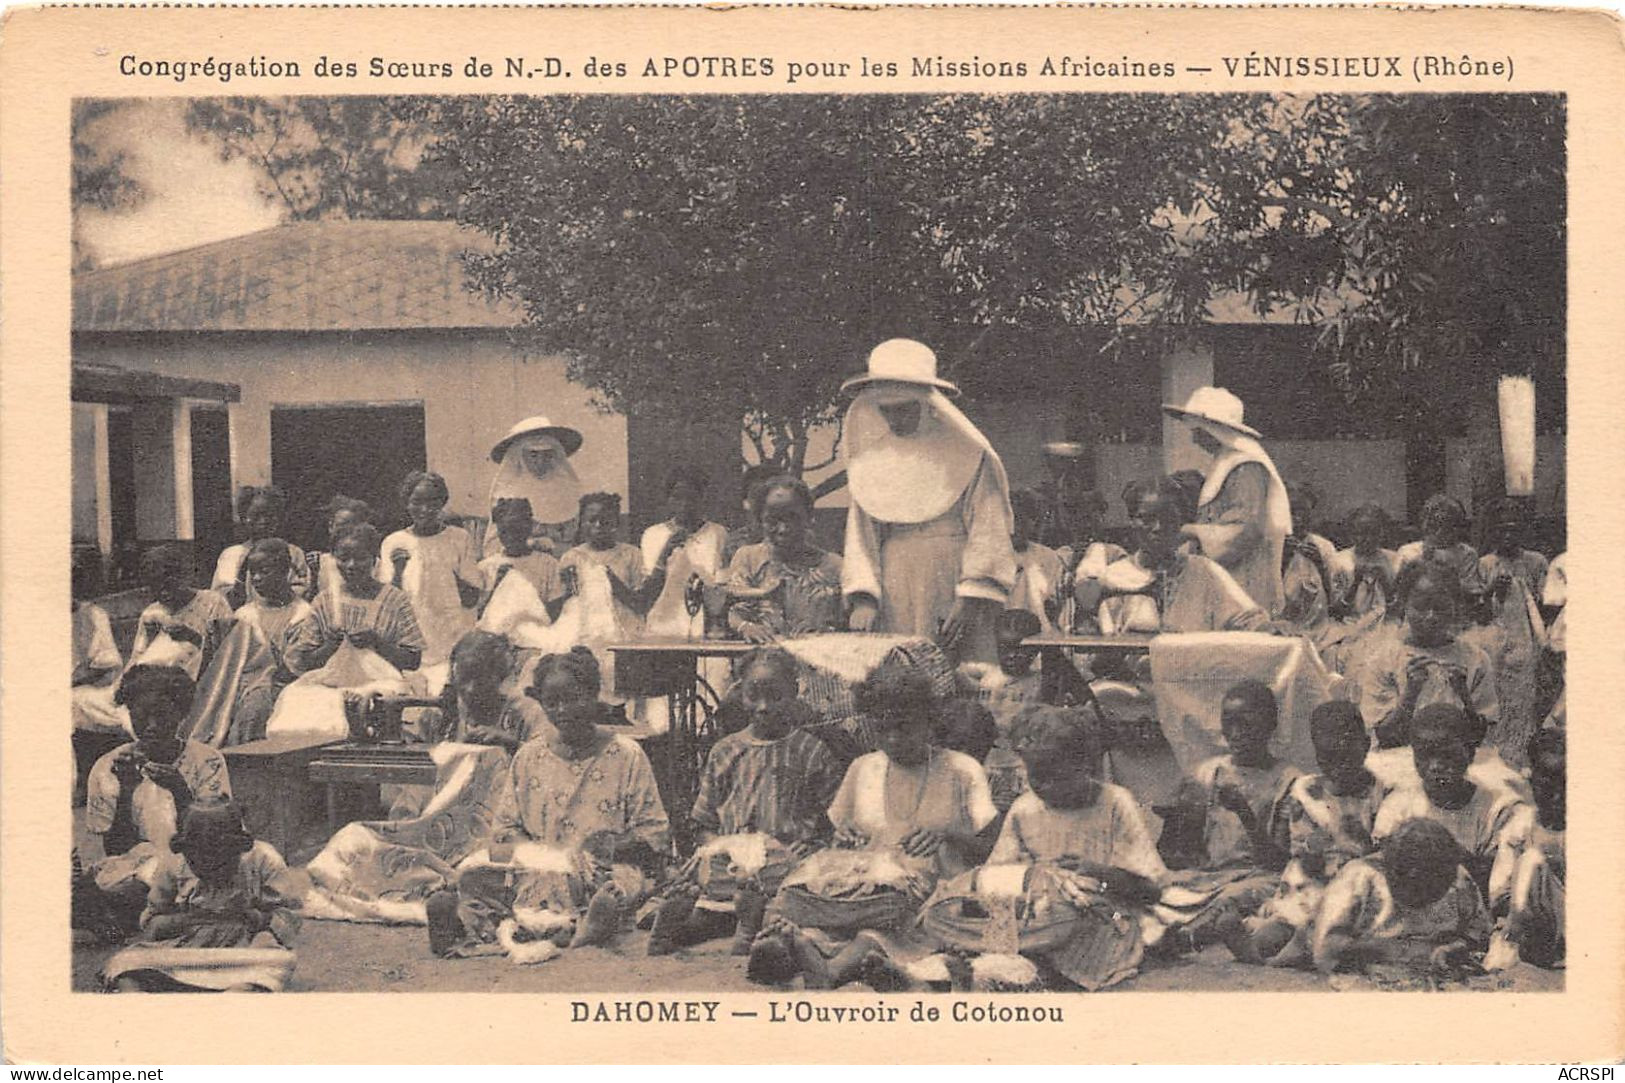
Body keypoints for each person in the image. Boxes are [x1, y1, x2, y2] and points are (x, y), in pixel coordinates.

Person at [747, 662, 1000, 988]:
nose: (893, 739)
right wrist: (843, 835)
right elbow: (832, 834)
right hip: (864, 899)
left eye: (904, 727)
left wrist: (948, 835)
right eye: (882, 729)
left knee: (878, 936)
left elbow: (994, 849)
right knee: (816, 920)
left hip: (931, 900)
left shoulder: (961, 770)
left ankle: (831, 970)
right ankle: (794, 949)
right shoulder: (863, 768)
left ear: (929, 721)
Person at [426, 648, 669, 957]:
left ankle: (591, 923)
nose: (563, 710)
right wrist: (535, 853)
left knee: (619, 885)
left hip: (599, 867)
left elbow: (655, 833)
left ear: (594, 694)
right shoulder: (529, 756)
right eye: (552, 703)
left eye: (574, 698)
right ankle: (459, 925)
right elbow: (505, 828)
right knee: (475, 876)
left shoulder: (627, 755)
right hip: (537, 867)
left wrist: (603, 847)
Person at [931, 705, 1168, 990]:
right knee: (973, 915)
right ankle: (984, 968)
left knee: (1059, 938)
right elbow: (1000, 875)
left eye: (1054, 775)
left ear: (1085, 766)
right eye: (1035, 775)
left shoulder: (1115, 803)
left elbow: (1150, 891)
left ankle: (997, 971)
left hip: (1102, 919)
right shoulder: (1025, 809)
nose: (1042, 785)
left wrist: (1097, 871)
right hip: (1037, 918)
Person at [647, 649, 842, 955]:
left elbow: (836, 827)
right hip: (733, 865)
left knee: (794, 888)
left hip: (783, 863)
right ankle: (706, 921)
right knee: (711, 872)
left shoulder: (812, 752)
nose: (763, 707)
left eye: (775, 696)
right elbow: (704, 824)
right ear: (740, 693)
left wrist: (814, 845)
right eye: (753, 695)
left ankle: (746, 921)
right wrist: (720, 847)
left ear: (794, 692)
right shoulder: (724, 751)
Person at [841, 339, 1017, 666]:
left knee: (962, 675)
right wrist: (865, 599)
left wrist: (970, 598)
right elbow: (861, 536)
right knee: (903, 679)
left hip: (955, 579)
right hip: (895, 584)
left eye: (904, 409)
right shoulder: (871, 462)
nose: (895, 419)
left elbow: (988, 528)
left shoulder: (968, 454)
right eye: (886, 410)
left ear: (928, 404)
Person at [1217, 701, 1382, 967]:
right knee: (1285, 925)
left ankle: (1278, 956)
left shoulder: (1378, 793)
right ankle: (1256, 948)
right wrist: (1309, 851)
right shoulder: (1306, 791)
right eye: (1327, 758)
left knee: (1336, 929)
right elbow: (1291, 852)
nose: (1338, 767)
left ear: (1365, 745)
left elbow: (1379, 851)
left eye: (1346, 756)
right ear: (1316, 755)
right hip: (1310, 882)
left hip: (1353, 886)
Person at [82, 666, 233, 935]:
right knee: (131, 879)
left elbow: (214, 836)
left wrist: (179, 790)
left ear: (182, 714)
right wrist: (127, 788)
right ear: (129, 714)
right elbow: (117, 848)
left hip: (197, 860)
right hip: (138, 866)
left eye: (162, 716)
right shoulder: (109, 766)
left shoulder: (207, 761)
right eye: (141, 716)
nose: (151, 726)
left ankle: (110, 910)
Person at [1158, 680, 1300, 949]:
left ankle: (1185, 937)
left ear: (1270, 726)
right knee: (1164, 888)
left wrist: (1245, 813)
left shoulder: (1289, 781)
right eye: (1228, 723)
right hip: (1213, 876)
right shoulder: (1210, 773)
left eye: (1246, 724)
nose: (1235, 734)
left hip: (1260, 876)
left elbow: (1279, 863)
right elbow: (1188, 846)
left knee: (1236, 897)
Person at [103, 799, 300, 993]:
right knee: (125, 963)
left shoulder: (264, 860)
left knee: (277, 960)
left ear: (238, 850)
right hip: (186, 950)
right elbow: (152, 924)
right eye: (198, 860)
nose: (208, 865)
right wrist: (193, 919)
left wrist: (252, 916)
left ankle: (237, 993)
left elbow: (289, 919)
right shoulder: (173, 863)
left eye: (220, 860)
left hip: (243, 952)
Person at [1372, 705, 1529, 909]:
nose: (1436, 765)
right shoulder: (1398, 805)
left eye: (1447, 755)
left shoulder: (1497, 809)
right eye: (1425, 755)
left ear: (1470, 754)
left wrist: (1448, 854)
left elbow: (1498, 884)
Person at [1075, 476, 1270, 637]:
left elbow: (1249, 618)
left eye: (1168, 519)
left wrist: (1268, 628)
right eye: (1148, 519)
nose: (1159, 528)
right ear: (1132, 522)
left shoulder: (1204, 571)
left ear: (1180, 523)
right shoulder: (1113, 577)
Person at [1163, 386, 1291, 615]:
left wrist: (1193, 531)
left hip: (1242, 574)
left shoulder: (1246, 468)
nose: (1194, 438)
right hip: (1221, 571)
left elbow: (1245, 529)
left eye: (1198, 430)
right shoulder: (1225, 464)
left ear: (1213, 430)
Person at [1310, 817, 1492, 977]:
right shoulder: (1359, 877)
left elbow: (1479, 932)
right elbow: (1326, 949)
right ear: (1391, 871)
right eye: (1418, 888)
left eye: (1435, 889)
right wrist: (1398, 951)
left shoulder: (1457, 876)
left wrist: (1454, 948)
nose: (1424, 899)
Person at [1356, 565, 1497, 751]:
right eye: (1421, 606)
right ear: (1404, 604)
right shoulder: (1383, 659)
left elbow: (1480, 736)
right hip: (1400, 758)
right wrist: (1410, 694)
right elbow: (1383, 736)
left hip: (1458, 760)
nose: (1431, 616)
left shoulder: (1475, 659)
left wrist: (1463, 694)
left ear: (1456, 606)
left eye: (1440, 607)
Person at [286, 522, 425, 676]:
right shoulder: (324, 601)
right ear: (333, 559)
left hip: (381, 685)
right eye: (344, 558)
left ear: (374, 559)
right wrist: (329, 646)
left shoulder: (395, 600)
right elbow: (303, 661)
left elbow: (413, 661)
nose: (351, 565)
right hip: (330, 683)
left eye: (360, 558)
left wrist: (377, 642)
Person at [381, 471, 482, 677]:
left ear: (442, 502)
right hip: (415, 635)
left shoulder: (459, 538)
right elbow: (389, 604)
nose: (425, 509)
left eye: (433, 502)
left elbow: (471, 598)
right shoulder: (394, 542)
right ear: (406, 503)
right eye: (417, 502)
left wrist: (446, 570)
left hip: (452, 632)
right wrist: (399, 570)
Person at [725, 475, 845, 642]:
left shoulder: (833, 565)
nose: (783, 529)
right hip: (761, 659)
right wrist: (746, 627)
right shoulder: (748, 558)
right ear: (760, 520)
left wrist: (823, 630)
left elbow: (847, 619)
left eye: (793, 518)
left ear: (809, 517)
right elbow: (732, 610)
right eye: (772, 520)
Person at [1475, 497, 1549, 764]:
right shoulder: (1484, 564)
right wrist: (1492, 590)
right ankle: (1497, 756)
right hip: (1495, 640)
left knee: (1524, 699)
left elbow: (1545, 606)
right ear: (1493, 532)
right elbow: (1478, 614)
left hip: (1527, 640)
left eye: (1514, 529)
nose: (1508, 535)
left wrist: (1524, 593)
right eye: (1502, 529)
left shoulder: (1536, 562)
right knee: (1498, 696)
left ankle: (1522, 756)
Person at [226, 539, 314, 743]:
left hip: (281, 685)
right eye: (252, 572)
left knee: (257, 702)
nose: (256, 578)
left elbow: (294, 666)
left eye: (264, 571)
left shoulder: (303, 614)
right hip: (240, 685)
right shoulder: (244, 615)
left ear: (285, 572)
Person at [1491, 728, 1564, 969]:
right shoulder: (1521, 825)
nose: (1556, 795)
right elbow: (1499, 893)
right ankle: (1515, 942)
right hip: (1527, 922)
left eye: (1564, 784)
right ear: (1531, 779)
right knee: (1531, 860)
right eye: (1547, 783)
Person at [486, 416, 586, 555]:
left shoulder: (570, 491)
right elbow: (492, 547)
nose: (540, 462)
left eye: (547, 455)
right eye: (533, 455)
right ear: (520, 456)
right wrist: (529, 544)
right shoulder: (507, 495)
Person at [438, 630, 551, 751]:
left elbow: (549, 761)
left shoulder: (527, 713)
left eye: (480, 680)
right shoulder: (443, 712)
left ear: (499, 675)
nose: (470, 689)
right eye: (464, 678)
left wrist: (513, 746)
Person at [72, 547, 124, 799]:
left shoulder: (93, 615)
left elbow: (105, 662)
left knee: (77, 702)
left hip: (93, 684)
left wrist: (71, 679)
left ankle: (85, 779)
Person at [212, 486, 309, 609]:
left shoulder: (293, 552)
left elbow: (302, 589)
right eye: (256, 516)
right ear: (243, 519)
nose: (263, 521)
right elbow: (221, 598)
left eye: (270, 516)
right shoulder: (232, 555)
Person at [477, 497, 568, 628]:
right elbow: (477, 615)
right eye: (504, 531)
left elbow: (555, 611)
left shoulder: (548, 565)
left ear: (529, 527)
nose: (510, 536)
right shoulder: (485, 567)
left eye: (516, 529)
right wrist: (498, 584)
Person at [1396, 494, 1483, 597]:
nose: (1440, 531)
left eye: (1449, 525)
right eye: (1435, 525)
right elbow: (1398, 590)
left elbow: (1471, 592)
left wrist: (1451, 580)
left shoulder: (1466, 554)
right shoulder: (1407, 552)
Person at [1007, 488, 1068, 635]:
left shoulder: (1048, 557)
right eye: (1012, 519)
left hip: (1040, 636)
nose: (1016, 527)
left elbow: (1058, 605)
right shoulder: (987, 556)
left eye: (1024, 520)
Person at [306, 495, 372, 599]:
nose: (347, 531)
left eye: (353, 525)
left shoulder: (370, 563)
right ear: (331, 527)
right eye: (341, 525)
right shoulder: (319, 562)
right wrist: (314, 575)